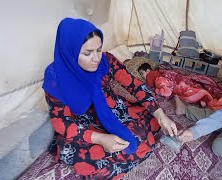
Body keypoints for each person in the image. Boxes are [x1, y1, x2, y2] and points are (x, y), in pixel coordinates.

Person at [42, 18, 178, 179]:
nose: (96, 58)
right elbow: (60, 122)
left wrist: (160, 113)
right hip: (83, 122)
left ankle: (125, 150)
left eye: (98, 50)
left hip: (110, 106)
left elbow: (134, 85)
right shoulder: (55, 78)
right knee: (79, 152)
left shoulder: (106, 60)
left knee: (150, 123)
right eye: (87, 53)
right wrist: (100, 139)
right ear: (70, 51)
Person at [138, 63, 222, 110]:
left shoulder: (150, 74)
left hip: (168, 83)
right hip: (172, 83)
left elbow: (149, 86)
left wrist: (153, 89)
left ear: (148, 70)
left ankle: (202, 96)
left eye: (142, 73)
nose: (142, 76)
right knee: (189, 89)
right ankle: (203, 97)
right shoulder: (157, 73)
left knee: (182, 90)